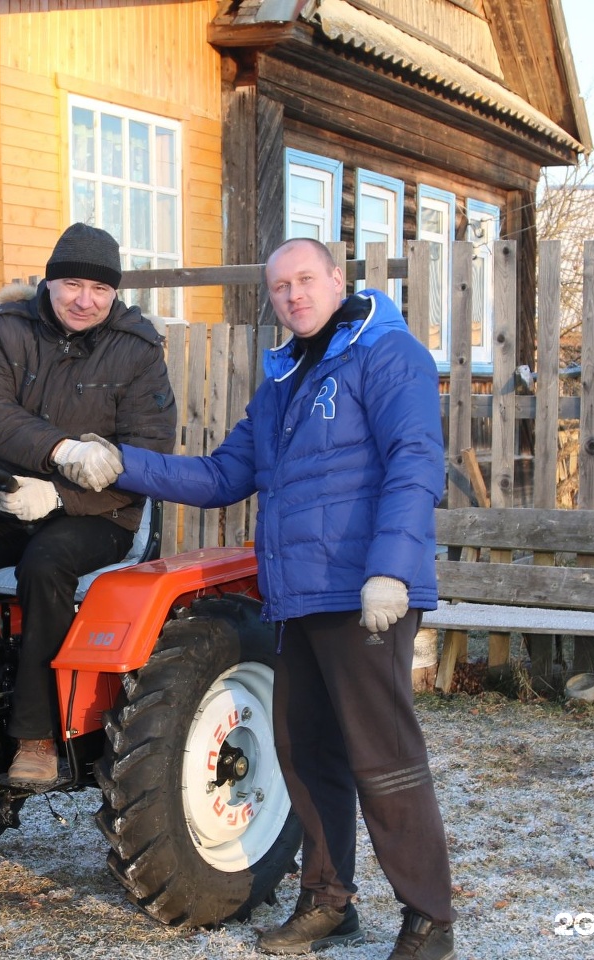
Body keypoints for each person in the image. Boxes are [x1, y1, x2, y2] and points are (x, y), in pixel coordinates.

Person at [83, 238, 455, 959]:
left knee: (384, 758)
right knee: (305, 754)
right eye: (280, 286)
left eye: (305, 280)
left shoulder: (387, 353)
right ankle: (327, 901)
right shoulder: (283, 382)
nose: (293, 295)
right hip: (299, 596)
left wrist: (391, 568)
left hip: (364, 592)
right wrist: (121, 463)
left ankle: (429, 918)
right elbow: (223, 475)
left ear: (338, 280)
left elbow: (416, 460)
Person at [0, 222, 177, 785]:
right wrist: (60, 451)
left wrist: (63, 492)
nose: (84, 300)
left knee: (44, 563)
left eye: (99, 290)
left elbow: (146, 455)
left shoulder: (138, 350)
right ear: (49, 283)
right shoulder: (7, 327)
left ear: (115, 294)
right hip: (11, 502)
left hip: (104, 514)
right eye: (72, 284)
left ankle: (37, 737)